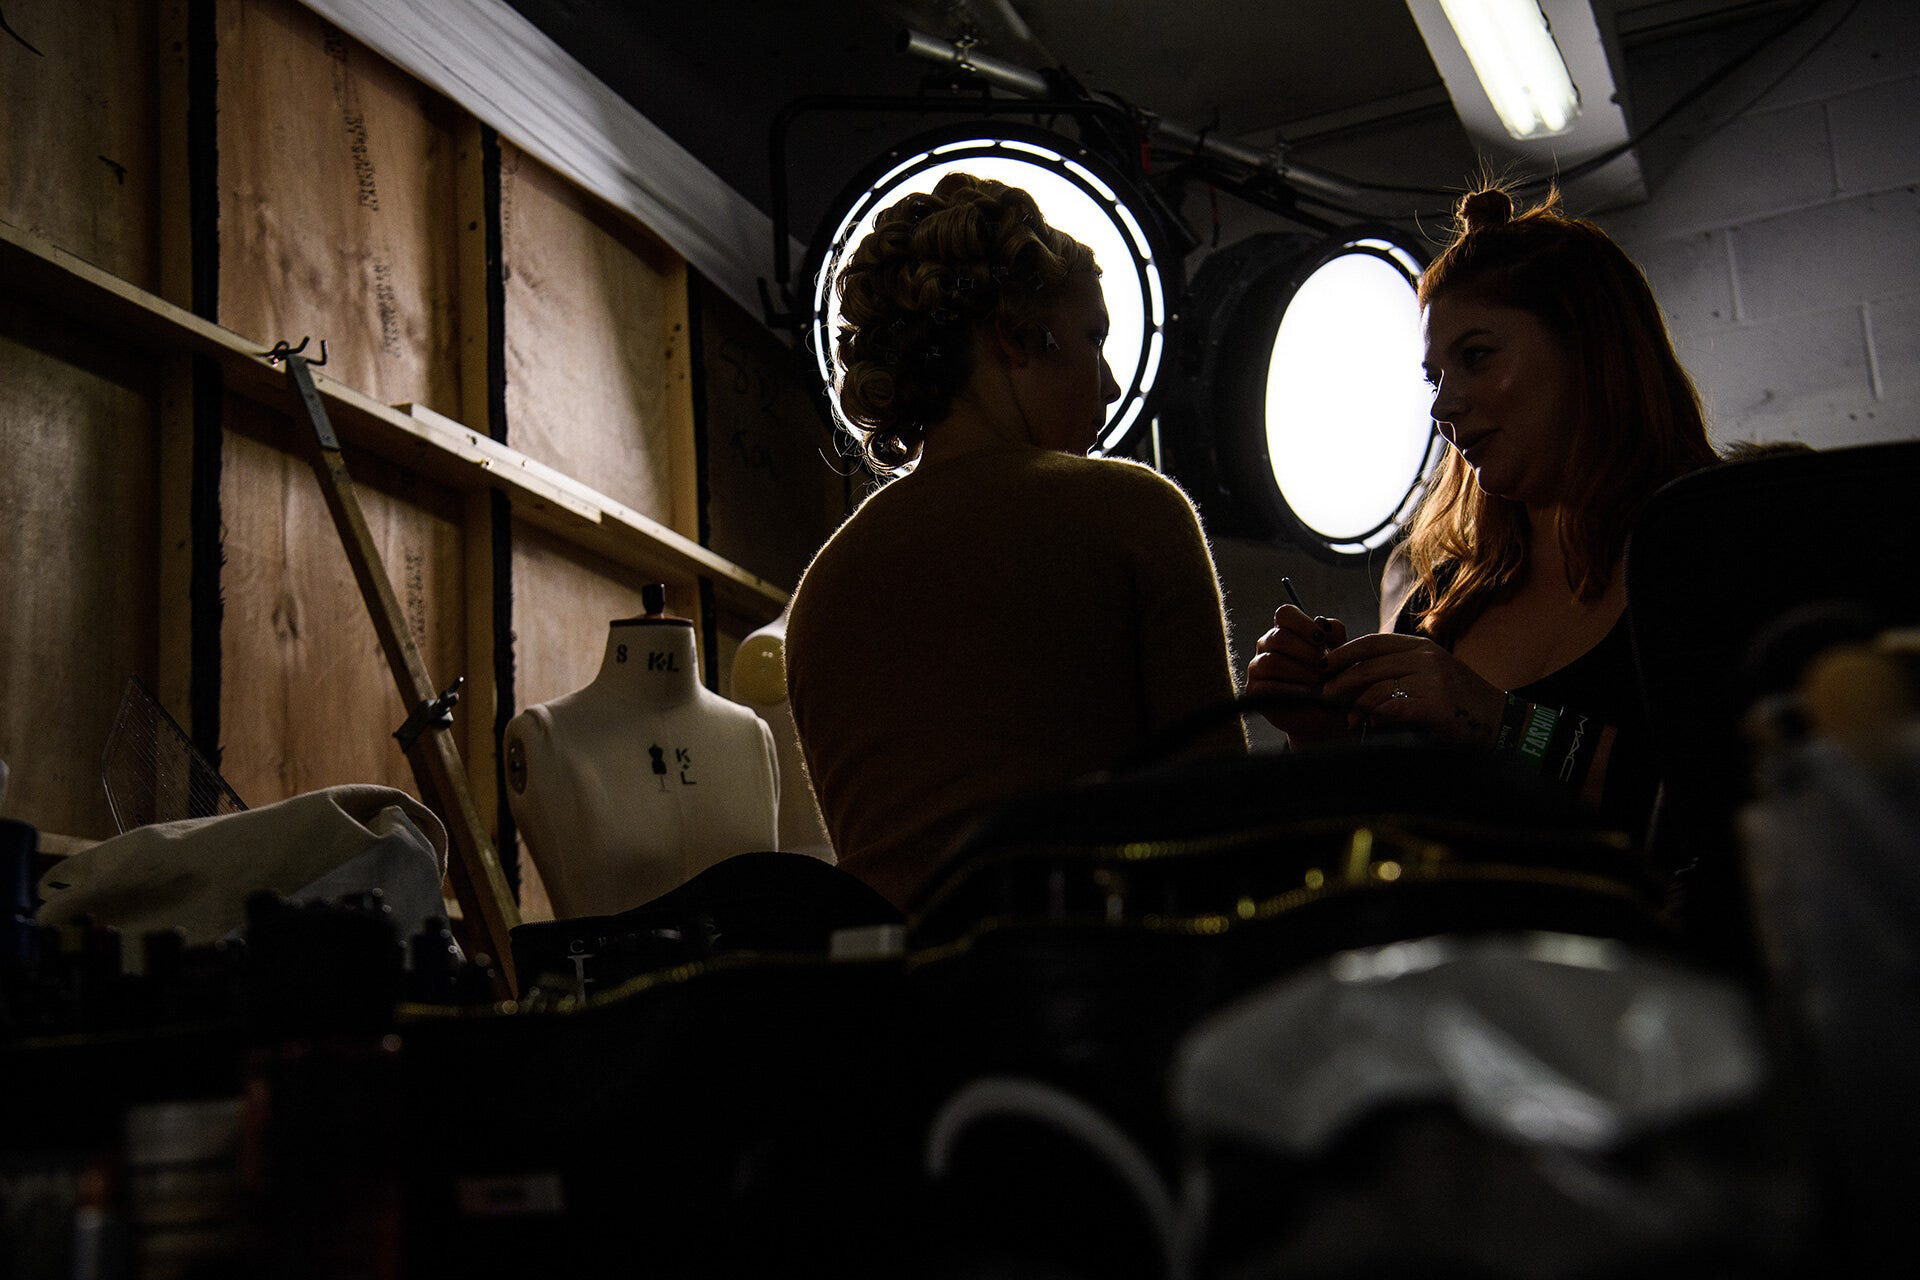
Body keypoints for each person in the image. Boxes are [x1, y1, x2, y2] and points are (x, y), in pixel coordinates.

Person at [786, 173, 1246, 910]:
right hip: (1103, 965)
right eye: (1093, 339)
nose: (1110, 385)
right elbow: (1219, 824)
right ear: (1015, 335)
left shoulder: (823, 587)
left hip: (901, 981)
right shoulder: (1131, 512)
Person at [1248, 186, 1718, 837]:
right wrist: (1320, 735)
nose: (1443, 406)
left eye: (1475, 357)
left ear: (1590, 349)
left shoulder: (1715, 555)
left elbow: (1722, 798)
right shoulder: (1435, 599)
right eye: (1434, 378)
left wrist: (1498, 723)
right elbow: (1384, 840)